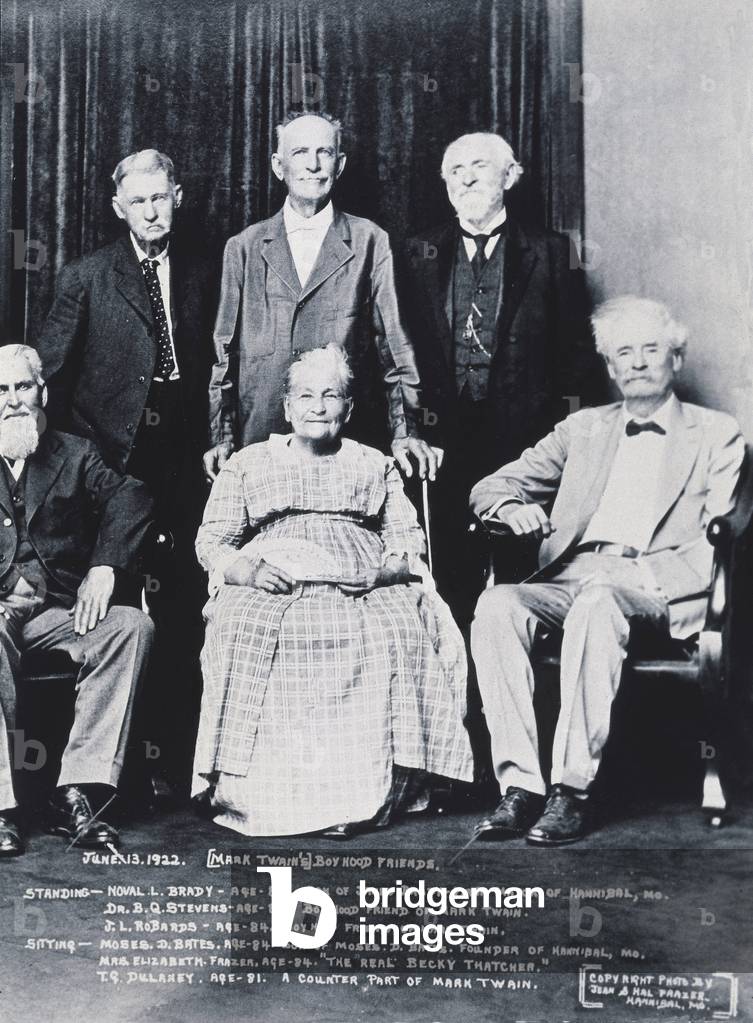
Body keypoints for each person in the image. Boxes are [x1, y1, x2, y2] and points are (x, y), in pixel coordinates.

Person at [469, 296, 744, 845]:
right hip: (572, 576)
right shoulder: (583, 428)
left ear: (676, 359)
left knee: (599, 603)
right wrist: (510, 507)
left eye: (651, 349)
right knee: (497, 606)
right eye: (624, 352)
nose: (638, 362)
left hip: (654, 583)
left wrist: (641, 579)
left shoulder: (717, 432)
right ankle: (520, 787)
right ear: (611, 367)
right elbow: (490, 487)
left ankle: (570, 791)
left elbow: (722, 533)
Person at [194, 345, 472, 837]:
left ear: (349, 407)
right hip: (272, 572)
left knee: (395, 624)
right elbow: (212, 541)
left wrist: (383, 574)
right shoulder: (248, 462)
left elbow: (405, 537)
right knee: (242, 624)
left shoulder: (374, 463)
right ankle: (266, 794)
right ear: (287, 407)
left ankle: (361, 795)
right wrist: (248, 572)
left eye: (331, 395)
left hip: (361, 574)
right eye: (306, 396)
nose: (318, 407)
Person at [36, 149, 217, 791]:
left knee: (185, 600)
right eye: (138, 201)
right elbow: (48, 375)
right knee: (116, 606)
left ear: (177, 198)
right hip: (112, 462)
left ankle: (174, 761)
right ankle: (118, 768)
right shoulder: (86, 276)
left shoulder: (206, 270)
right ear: (119, 209)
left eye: (159, 198)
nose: (151, 211)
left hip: (186, 460)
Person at [401, 132, 600, 621]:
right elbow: (397, 349)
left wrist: (567, 439)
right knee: (448, 568)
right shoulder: (416, 251)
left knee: (521, 572)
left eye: (480, 166)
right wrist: (415, 428)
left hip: (526, 439)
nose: (467, 179)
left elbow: (578, 356)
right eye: (456, 170)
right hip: (443, 440)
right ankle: (459, 669)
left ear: (510, 177)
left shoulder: (554, 251)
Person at [204, 111, 439, 484]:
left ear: (339, 164)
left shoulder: (371, 240)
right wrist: (222, 437)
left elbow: (394, 349)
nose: (312, 165)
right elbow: (224, 354)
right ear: (278, 166)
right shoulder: (243, 247)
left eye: (324, 153)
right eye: (300, 153)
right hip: (260, 443)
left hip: (346, 446)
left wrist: (406, 430)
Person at [0, 345, 154, 856]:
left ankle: (78, 791)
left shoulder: (76, 453)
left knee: (130, 626)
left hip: (59, 612)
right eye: (0, 390)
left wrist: (104, 566)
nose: (13, 401)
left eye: (23, 386)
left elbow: (131, 494)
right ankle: (1, 806)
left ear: (42, 393)